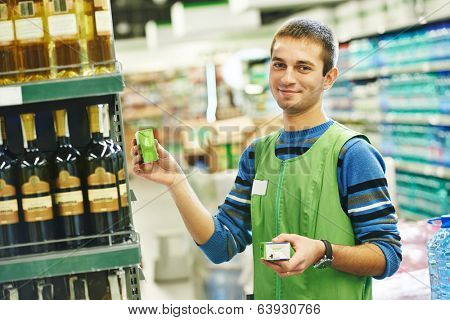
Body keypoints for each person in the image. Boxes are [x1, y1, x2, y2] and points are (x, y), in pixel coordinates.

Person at [130, 18, 401, 300]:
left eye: (303, 67)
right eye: (279, 64)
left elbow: (387, 254)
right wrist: (176, 181)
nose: (287, 78)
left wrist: (324, 251)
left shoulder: (352, 153)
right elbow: (220, 246)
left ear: (328, 78)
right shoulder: (257, 155)